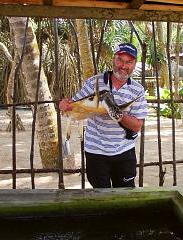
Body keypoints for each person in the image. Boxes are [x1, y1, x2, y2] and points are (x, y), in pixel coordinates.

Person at [59, 43, 148, 188]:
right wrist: (64, 106)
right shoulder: (93, 83)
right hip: (95, 151)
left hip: (124, 150)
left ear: (134, 64)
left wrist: (116, 112)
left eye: (129, 62)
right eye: (120, 60)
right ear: (113, 59)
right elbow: (73, 108)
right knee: (100, 195)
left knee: (125, 196)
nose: (123, 65)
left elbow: (137, 126)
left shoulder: (137, 90)